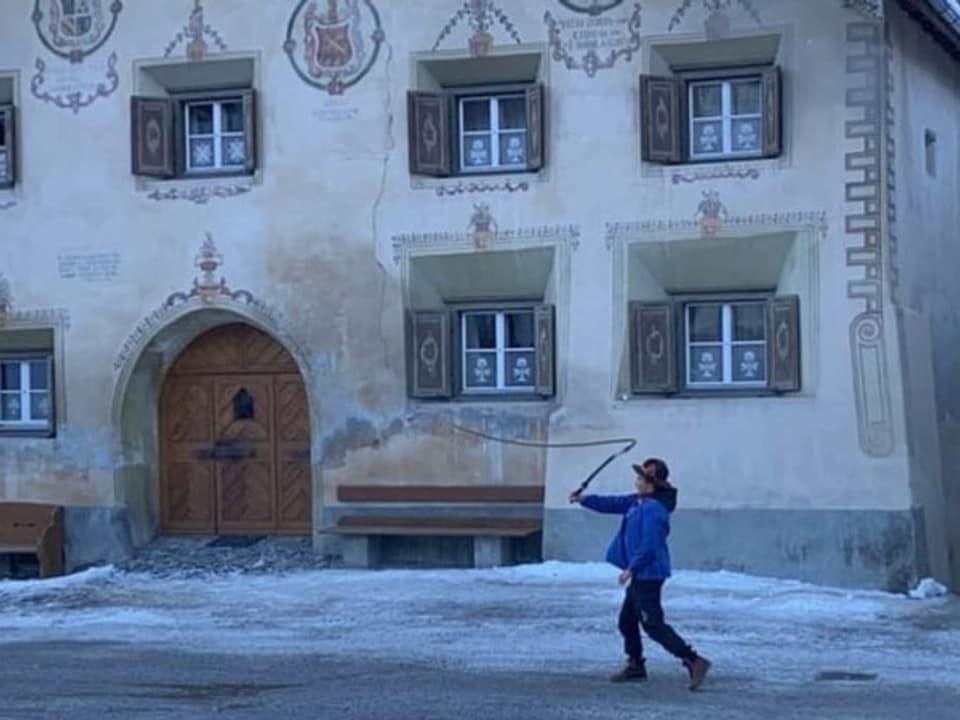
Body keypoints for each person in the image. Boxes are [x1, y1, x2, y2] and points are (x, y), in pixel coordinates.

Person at [569, 458, 711, 690]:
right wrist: (584, 499)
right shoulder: (639, 502)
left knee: (653, 625)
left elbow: (650, 544)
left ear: (652, 484)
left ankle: (694, 660)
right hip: (641, 573)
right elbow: (612, 503)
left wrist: (631, 568)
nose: (636, 482)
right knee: (627, 621)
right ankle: (636, 665)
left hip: (649, 574)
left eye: (640, 478)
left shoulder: (655, 510)